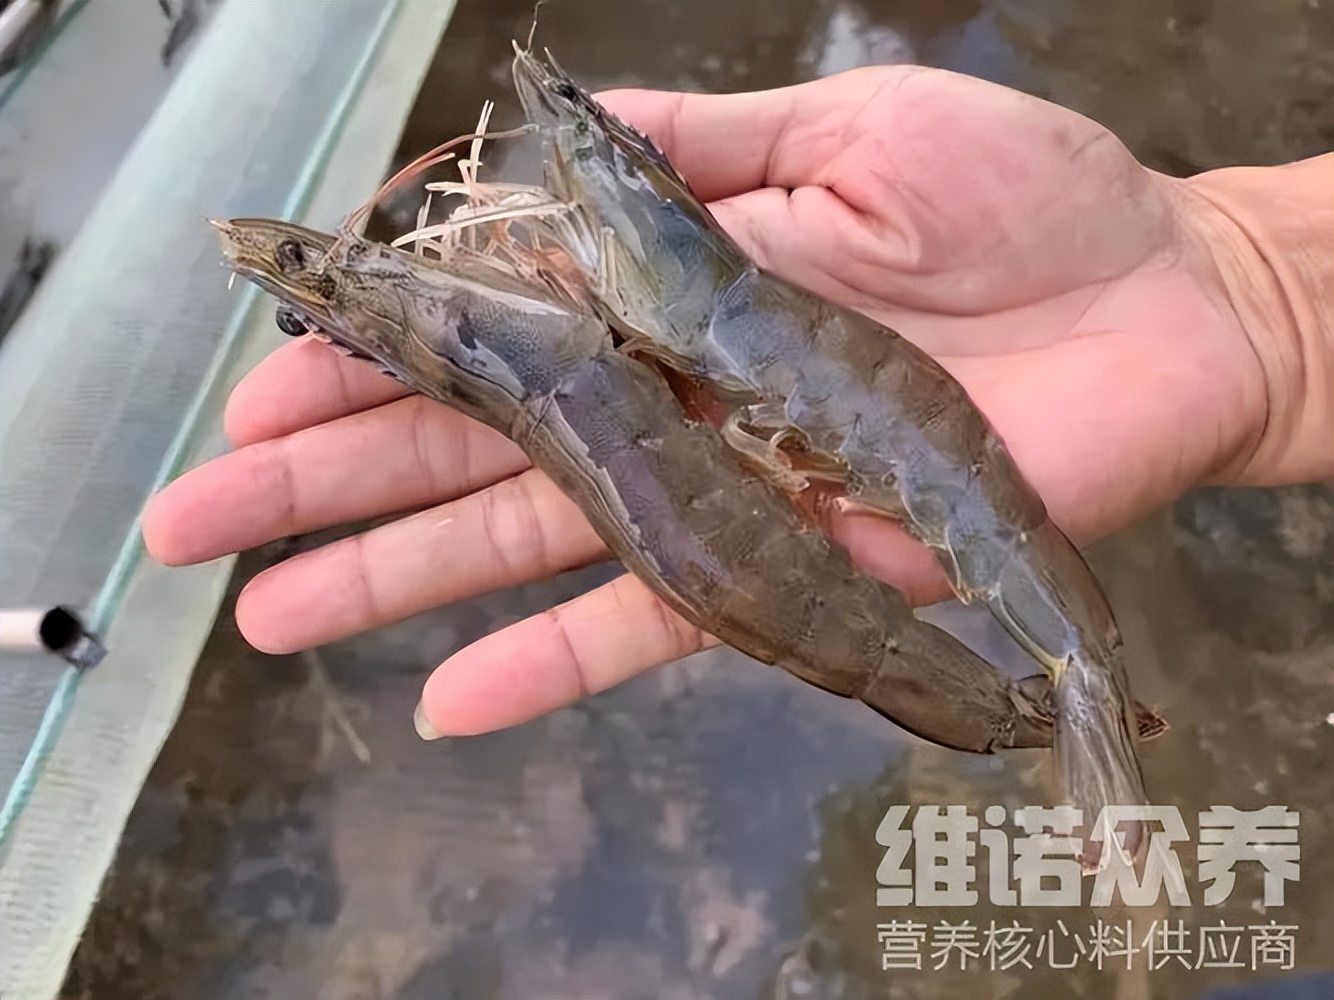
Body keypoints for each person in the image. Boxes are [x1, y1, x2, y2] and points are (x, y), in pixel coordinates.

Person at [142, 65, 1332, 740]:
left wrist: (1254, 282)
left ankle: (1067, 696)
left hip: (745, 393)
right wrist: (1250, 280)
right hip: (687, 436)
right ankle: (1048, 707)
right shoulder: (563, 323)